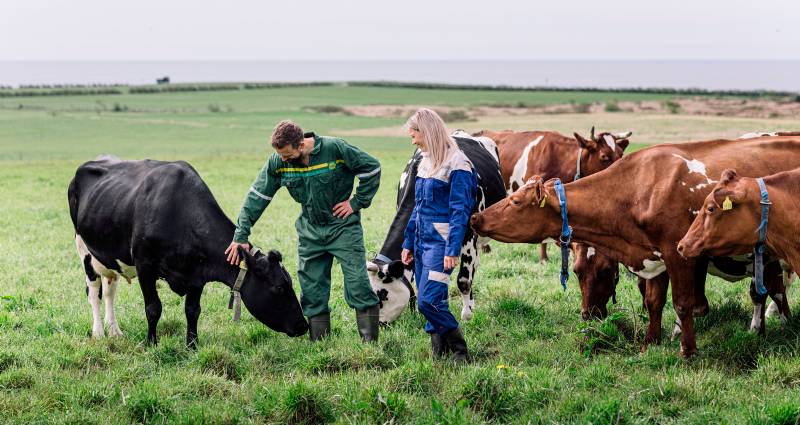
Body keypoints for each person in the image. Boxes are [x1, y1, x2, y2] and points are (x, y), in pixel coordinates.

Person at [226, 120, 382, 342]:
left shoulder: (335, 149)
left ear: (301, 145)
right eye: (280, 155)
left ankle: (369, 346)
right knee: (312, 291)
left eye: (287, 154)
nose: (283, 159)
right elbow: (257, 197)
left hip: (343, 229)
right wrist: (241, 235)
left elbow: (372, 167)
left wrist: (356, 202)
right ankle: (320, 344)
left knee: (358, 284)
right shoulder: (278, 163)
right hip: (310, 233)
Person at [400, 109, 477, 362]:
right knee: (430, 298)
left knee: (427, 302)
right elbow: (417, 207)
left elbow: (460, 212)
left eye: (414, 135)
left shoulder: (458, 163)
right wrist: (409, 242)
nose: (413, 141)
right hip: (421, 242)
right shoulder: (425, 161)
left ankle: (460, 350)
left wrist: (452, 250)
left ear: (428, 131)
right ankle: (439, 351)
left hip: (441, 244)